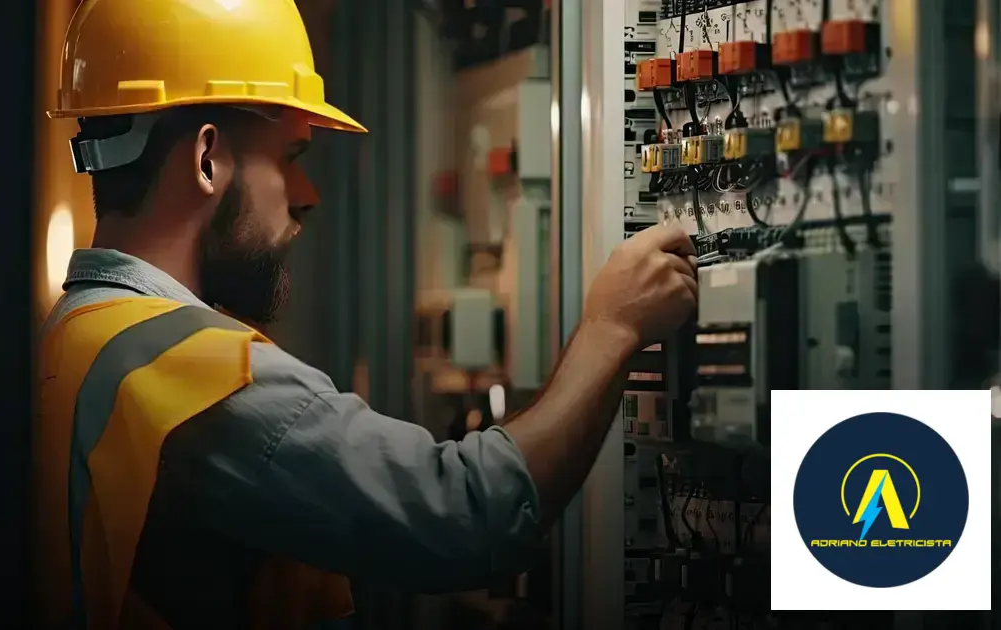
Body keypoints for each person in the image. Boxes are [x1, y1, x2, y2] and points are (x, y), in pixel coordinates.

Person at [34, 0, 699, 628]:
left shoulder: (66, 342)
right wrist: (612, 327)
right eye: (292, 159)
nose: (308, 195)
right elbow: (466, 515)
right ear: (208, 158)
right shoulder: (198, 374)